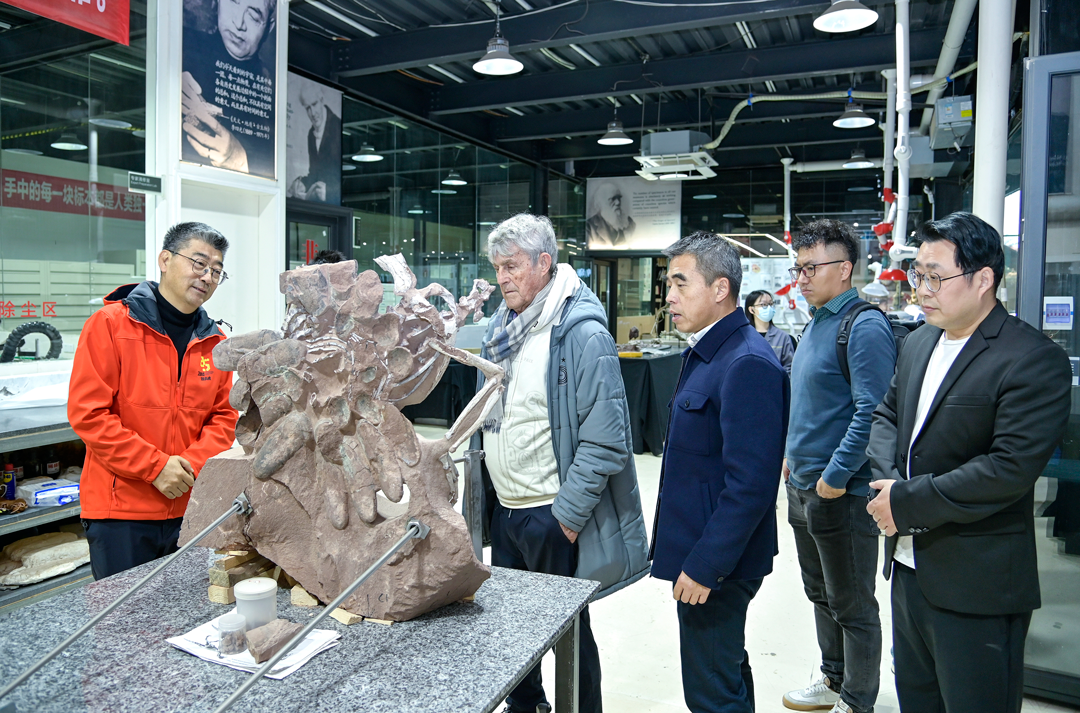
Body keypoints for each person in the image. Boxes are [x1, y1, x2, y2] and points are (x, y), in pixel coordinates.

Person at [866, 212, 1071, 713]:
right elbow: (886, 416)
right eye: (918, 275)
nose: (922, 289)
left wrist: (906, 502)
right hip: (908, 568)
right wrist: (887, 486)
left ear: (984, 279)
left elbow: (1009, 469)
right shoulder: (918, 342)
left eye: (936, 276)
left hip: (977, 580)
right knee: (917, 698)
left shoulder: (1030, 358)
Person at [474, 213, 650, 713]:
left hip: (551, 514)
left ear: (543, 263)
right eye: (497, 267)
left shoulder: (581, 332)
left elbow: (606, 438)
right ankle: (527, 707)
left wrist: (567, 519)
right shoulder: (500, 327)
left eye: (511, 267)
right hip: (506, 512)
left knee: (569, 633)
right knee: (510, 629)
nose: (502, 278)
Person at [650, 232, 789, 713]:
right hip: (704, 548)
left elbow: (751, 486)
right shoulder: (711, 350)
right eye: (669, 284)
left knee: (711, 691)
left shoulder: (746, 362)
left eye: (680, 283)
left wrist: (706, 564)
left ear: (720, 289)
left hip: (719, 563)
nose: (669, 296)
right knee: (724, 670)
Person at [68, 222, 238, 580]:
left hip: (190, 506)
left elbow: (223, 417)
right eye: (199, 263)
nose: (207, 277)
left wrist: (188, 466)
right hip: (121, 513)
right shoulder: (110, 325)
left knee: (186, 620)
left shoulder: (216, 342)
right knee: (123, 626)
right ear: (165, 259)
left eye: (217, 271)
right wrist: (155, 467)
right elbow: (89, 414)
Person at [783, 219, 896, 713]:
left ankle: (858, 699)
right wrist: (792, 458)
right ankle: (833, 679)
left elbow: (871, 413)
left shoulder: (864, 326)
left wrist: (833, 477)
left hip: (841, 492)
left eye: (812, 267)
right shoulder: (816, 322)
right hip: (803, 487)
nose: (802, 276)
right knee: (820, 593)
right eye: (798, 266)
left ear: (845, 269)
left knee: (852, 603)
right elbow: (811, 402)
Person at [182, 0, 276, 177]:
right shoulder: (181, 44)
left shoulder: (272, 92)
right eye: (233, 2)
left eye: (254, 16)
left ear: (269, 26)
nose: (238, 23)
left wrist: (238, 159)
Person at [288, 82, 342, 204]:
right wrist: (303, 184)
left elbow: (348, 176)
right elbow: (315, 173)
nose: (312, 113)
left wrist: (329, 192)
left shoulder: (338, 128)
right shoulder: (311, 135)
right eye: (308, 108)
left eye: (314, 104)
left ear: (322, 100)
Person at [745, 289, 795, 373]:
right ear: (751, 309)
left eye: (771, 304)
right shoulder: (744, 337)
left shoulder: (782, 337)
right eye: (763, 304)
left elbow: (789, 368)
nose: (769, 308)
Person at [586, 181, 635, 248]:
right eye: (613, 199)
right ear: (600, 203)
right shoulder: (589, 226)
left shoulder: (630, 223)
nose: (618, 202)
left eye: (619, 198)